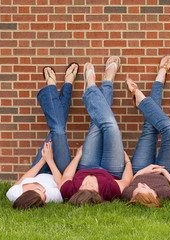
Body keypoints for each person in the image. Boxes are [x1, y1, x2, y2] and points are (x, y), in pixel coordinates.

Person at [59, 57, 133, 205]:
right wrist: (128, 162)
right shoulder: (109, 190)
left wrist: (77, 157)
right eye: (92, 187)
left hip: (86, 164)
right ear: (99, 194)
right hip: (113, 169)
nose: (88, 183)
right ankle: (95, 85)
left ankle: (104, 81)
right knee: (110, 126)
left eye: (83, 186)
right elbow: (125, 181)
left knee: (97, 124)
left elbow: (66, 177)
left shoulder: (69, 190)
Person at [6, 63, 79, 209]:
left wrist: (43, 160)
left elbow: (23, 179)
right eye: (44, 194)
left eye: (40, 190)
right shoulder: (49, 197)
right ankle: (57, 86)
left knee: (57, 130)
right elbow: (62, 183)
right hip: (60, 168)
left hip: (39, 167)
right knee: (58, 130)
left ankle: (64, 84)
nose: (44, 190)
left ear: (23, 193)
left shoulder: (14, 194)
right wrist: (50, 161)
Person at [121, 56, 170, 208]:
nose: (140, 185)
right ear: (154, 196)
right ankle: (144, 97)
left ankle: (159, 77)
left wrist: (143, 171)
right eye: (143, 188)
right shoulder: (167, 195)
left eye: (137, 189)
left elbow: (128, 181)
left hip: (141, 167)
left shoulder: (129, 196)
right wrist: (164, 173)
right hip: (167, 169)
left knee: (150, 128)